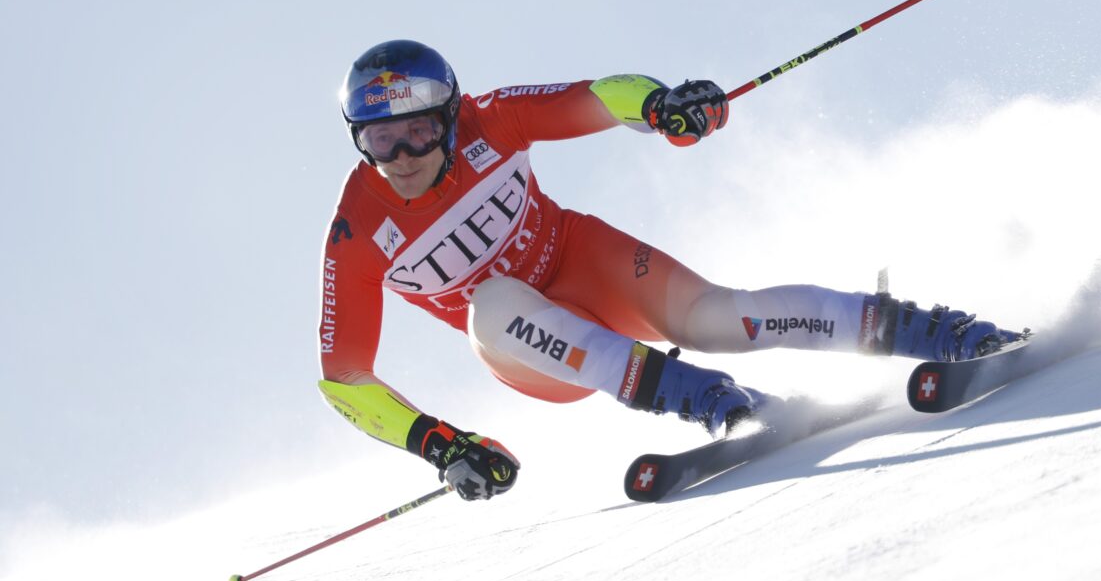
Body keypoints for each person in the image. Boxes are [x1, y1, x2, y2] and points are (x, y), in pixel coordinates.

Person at [318, 39, 1022, 501]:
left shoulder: (491, 119)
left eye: (416, 130)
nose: (402, 154)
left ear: (448, 116)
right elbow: (343, 380)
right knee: (493, 301)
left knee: (718, 317)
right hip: (533, 352)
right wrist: (441, 445)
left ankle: (940, 333)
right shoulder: (357, 231)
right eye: (380, 139)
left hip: (580, 261)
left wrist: (662, 108)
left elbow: (601, 96)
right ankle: (708, 400)